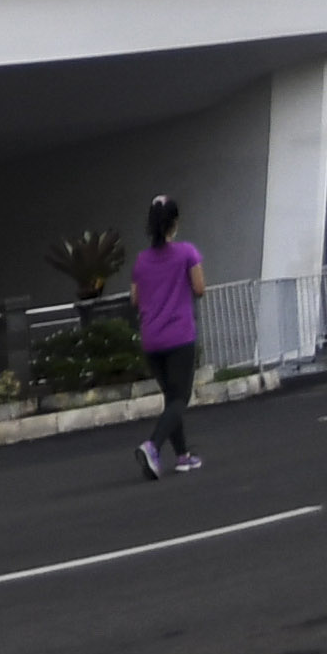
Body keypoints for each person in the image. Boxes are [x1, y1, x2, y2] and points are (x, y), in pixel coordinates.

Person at [127, 196, 208, 476]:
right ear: (174, 222)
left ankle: (183, 455)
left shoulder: (140, 261)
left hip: (151, 340)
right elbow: (199, 288)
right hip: (179, 336)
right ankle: (153, 446)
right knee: (179, 399)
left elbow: (135, 300)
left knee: (170, 397)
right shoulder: (187, 253)